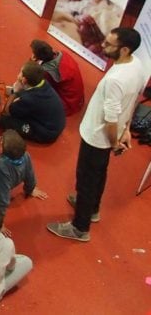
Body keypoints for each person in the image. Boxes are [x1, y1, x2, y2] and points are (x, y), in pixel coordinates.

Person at [49, 27, 145, 242]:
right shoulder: (137, 66)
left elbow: (111, 117)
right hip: (111, 135)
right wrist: (126, 130)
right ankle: (92, 208)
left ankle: (79, 227)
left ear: (125, 49)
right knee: (99, 174)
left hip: (97, 137)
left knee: (86, 180)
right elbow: (132, 101)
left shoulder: (115, 80)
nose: (103, 46)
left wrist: (113, 142)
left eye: (109, 45)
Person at [0, 61, 66, 144]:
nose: (18, 74)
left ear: (24, 80)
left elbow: (7, 111)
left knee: (3, 119)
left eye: (20, 72)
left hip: (47, 133)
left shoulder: (29, 99)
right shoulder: (43, 82)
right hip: (54, 123)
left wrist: (14, 92)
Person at [0, 129, 47, 215]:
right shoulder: (26, 155)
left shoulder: (1, 165)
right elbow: (30, 175)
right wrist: (30, 189)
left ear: (2, 149)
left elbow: (3, 198)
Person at [30, 38, 86, 116]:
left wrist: (32, 62)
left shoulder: (48, 73)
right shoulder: (63, 54)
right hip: (77, 99)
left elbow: (36, 82)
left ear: (37, 57)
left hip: (68, 105)